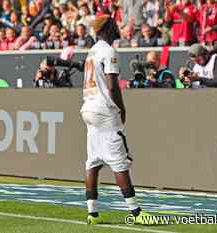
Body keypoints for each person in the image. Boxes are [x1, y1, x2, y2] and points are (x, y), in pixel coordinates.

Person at [80, 13, 153, 225]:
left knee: (93, 161)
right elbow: (112, 85)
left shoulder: (91, 52)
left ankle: (92, 213)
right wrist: (121, 108)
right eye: (113, 24)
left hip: (88, 107)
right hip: (104, 109)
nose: (117, 26)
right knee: (119, 161)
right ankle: (136, 212)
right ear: (107, 29)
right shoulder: (108, 50)